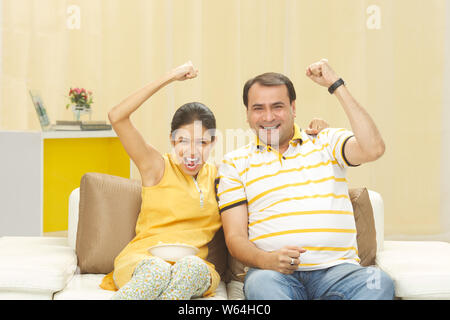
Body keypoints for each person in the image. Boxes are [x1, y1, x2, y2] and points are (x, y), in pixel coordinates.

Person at [99, 61, 328, 300]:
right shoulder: (155, 166)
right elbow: (117, 116)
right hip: (144, 260)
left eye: (202, 142)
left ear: (213, 143)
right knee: (157, 271)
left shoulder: (225, 175)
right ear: (171, 139)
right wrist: (170, 77)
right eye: (183, 141)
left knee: (193, 269)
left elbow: (276, 173)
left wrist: (313, 137)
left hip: (191, 264)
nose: (191, 152)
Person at [217, 59, 395, 300]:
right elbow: (235, 238)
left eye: (277, 106)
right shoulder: (234, 162)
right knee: (261, 285)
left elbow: (374, 148)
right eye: (258, 108)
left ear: (293, 107)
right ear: (247, 114)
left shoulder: (326, 140)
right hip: (273, 275)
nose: (268, 116)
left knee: (378, 283)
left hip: (339, 272)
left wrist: (336, 84)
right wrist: (266, 260)